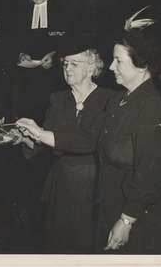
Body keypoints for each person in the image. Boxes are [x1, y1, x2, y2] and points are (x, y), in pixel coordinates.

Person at [11, 41, 113, 253]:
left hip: (93, 186)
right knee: (56, 247)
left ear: (92, 67)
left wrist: (40, 133)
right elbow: (42, 145)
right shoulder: (58, 98)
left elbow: (89, 141)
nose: (67, 68)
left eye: (74, 64)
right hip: (60, 187)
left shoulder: (109, 99)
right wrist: (26, 139)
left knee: (87, 249)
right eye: (65, 63)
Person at [96, 7, 161, 254]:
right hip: (110, 208)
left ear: (142, 66)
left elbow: (149, 177)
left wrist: (126, 220)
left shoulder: (153, 108)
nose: (110, 67)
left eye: (118, 60)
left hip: (137, 223)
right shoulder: (120, 99)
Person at [12, 0, 71, 124]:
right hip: (26, 85)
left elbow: (77, 40)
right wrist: (18, 54)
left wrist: (57, 56)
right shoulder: (17, 7)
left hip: (59, 82)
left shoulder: (67, 4)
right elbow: (8, 40)